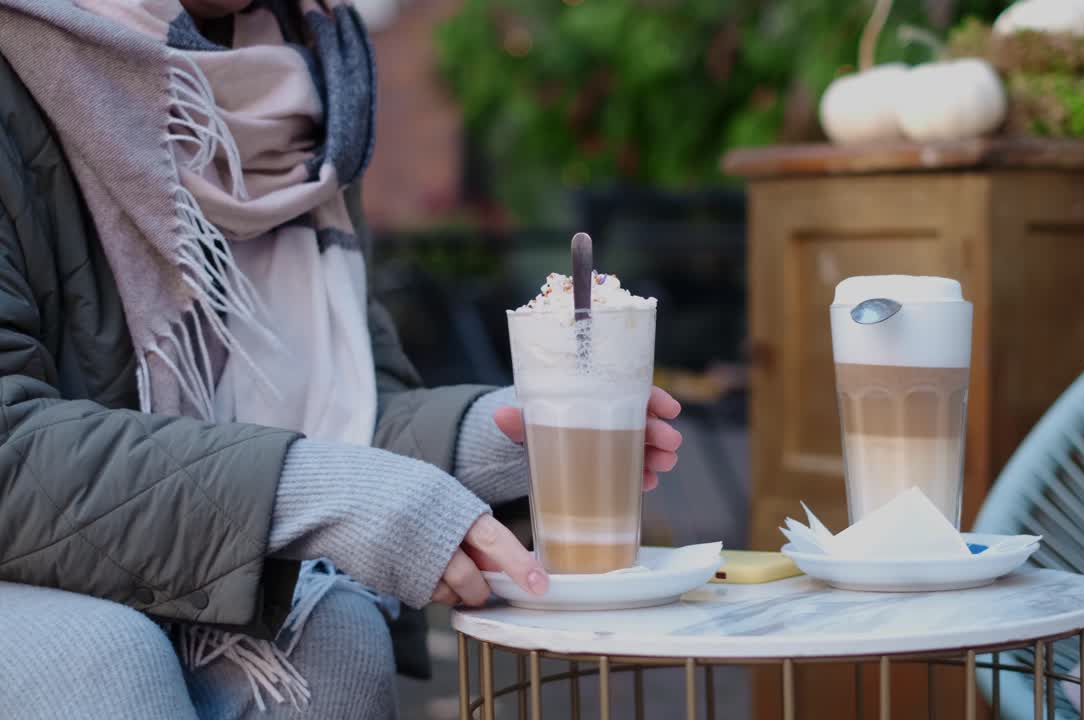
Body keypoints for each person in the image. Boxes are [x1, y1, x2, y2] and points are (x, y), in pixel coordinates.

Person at [0, 0, 684, 718]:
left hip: (160, 544)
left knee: (336, 632)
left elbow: (346, 403)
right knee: (105, 659)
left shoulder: (309, 80)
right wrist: (306, 490)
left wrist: (507, 437)